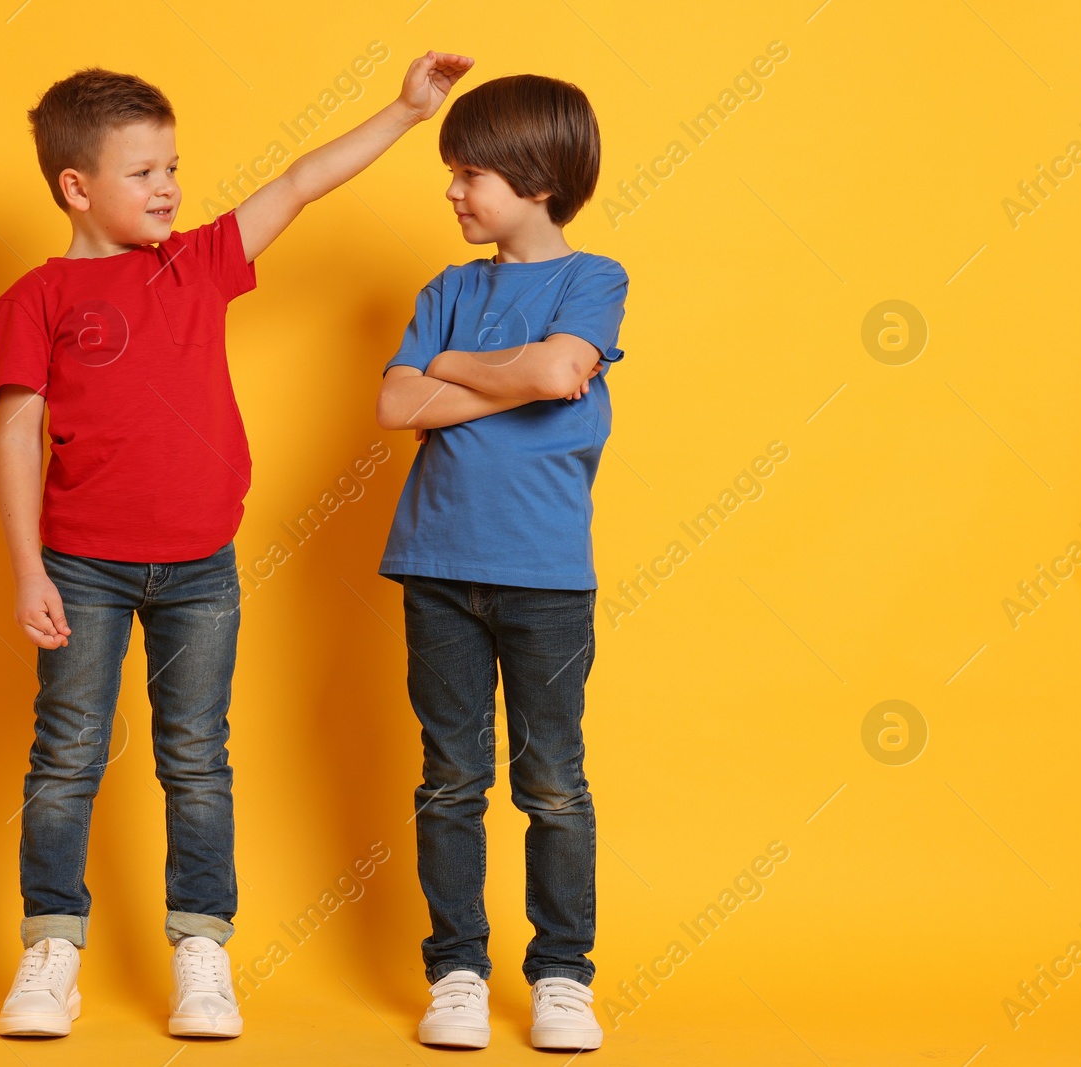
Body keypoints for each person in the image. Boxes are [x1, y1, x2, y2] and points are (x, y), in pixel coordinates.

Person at [0, 52, 474, 1040]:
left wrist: (405, 112)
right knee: (67, 753)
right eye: (144, 172)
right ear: (76, 187)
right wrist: (29, 568)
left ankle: (199, 948)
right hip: (80, 564)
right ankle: (51, 947)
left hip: (200, 566)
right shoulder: (34, 298)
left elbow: (298, 181)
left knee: (195, 758)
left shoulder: (194, 261)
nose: (169, 185)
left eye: (173, 165)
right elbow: (13, 434)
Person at [374, 72, 629, 1052]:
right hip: (436, 566)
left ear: (534, 179)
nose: (451, 191)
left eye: (468, 173)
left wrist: (447, 368)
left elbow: (562, 368)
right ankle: (458, 972)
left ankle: (562, 974)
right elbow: (395, 406)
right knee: (448, 779)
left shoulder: (591, 279)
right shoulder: (446, 289)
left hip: (548, 578)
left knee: (552, 779)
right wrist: (508, 377)